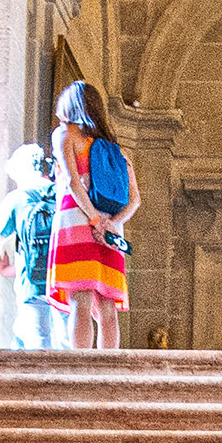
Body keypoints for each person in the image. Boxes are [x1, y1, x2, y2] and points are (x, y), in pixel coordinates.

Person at [48, 81, 136, 352]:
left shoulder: (66, 135)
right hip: (111, 229)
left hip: (77, 220)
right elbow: (135, 200)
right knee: (107, 305)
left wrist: (94, 220)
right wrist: (111, 223)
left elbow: (74, 183)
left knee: (80, 300)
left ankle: (80, 364)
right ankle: (109, 366)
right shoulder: (116, 149)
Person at [0, 139, 57, 349]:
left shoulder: (17, 198)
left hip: (31, 285)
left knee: (38, 350)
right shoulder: (64, 194)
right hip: (65, 283)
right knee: (62, 346)